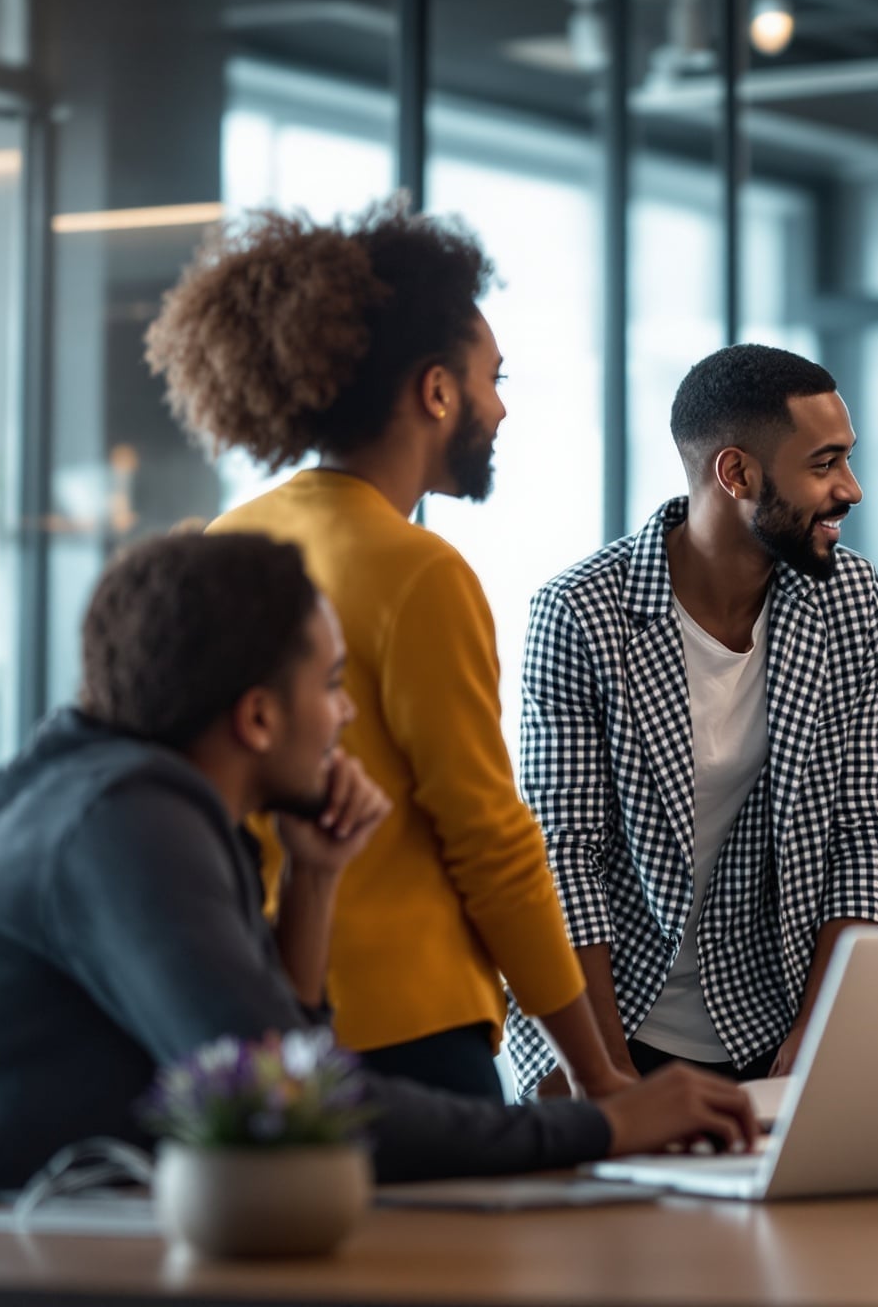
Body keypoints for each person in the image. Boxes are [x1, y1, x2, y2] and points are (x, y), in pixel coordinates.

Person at [0, 534, 755, 1220]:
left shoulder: (151, 808)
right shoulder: (122, 822)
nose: (344, 719)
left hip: (11, 1243)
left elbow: (262, 1074)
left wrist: (316, 885)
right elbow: (300, 1106)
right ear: (255, 718)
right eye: (328, 685)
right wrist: (601, 1122)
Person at [145, 204, 630, 1099]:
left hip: (278, 1027)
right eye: (494, 377)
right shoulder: (419, 572)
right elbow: (490, 839)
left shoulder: (228, 539)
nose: (502, 405)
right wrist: (599, 1072)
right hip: (417, 1037)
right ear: (436, 391)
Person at [507, 345, 878, 1089]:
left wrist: (820, 1033)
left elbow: (859, 830)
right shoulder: (582, 614)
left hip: (774, 1012)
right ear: (737, 473)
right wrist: (610, 1079)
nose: (852, 488)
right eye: (825, 464)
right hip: (604, 1019)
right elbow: (565, 859)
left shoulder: (849, 598)